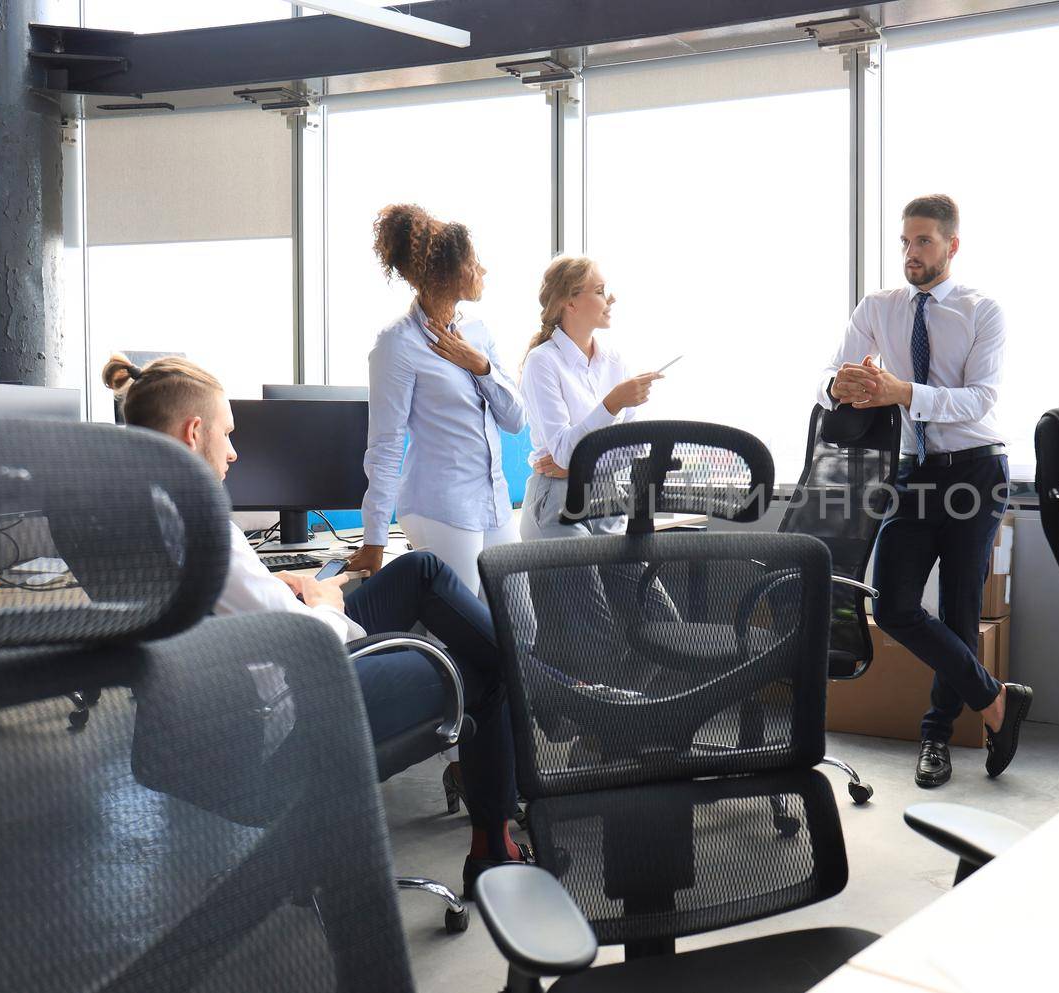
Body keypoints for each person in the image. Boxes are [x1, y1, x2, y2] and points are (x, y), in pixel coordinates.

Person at [103, 352, 524, 895]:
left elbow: (231, 615)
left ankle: (531, 680)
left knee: (418, 570)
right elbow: (307, 648)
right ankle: (495, 846)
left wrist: (280, 590)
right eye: (228, 434)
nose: (233, 452)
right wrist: (325, 601)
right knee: (483, 672)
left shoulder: (151, 512)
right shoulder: (206, 530)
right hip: (294, 709)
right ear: (193, 432)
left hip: (242, 695)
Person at [816, 194, 1033, 789]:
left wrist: (901, 392)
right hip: (914, 473)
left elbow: (980, 400)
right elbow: (827, 383)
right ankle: (995, 703)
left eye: (924, 242)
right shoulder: (878, 307)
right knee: (893, 605)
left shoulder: (981, 310)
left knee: (962, 611)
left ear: (951, 245)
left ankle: (936, 736)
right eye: (905, 242)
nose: (911, 253)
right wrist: (845, 383)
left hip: (976, 470)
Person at [345, 204, 548, 598]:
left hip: (493, 499)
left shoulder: (478, 332)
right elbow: (385, 447)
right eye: (474, 263)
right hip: (441, 504)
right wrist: (375, 540)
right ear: (445, 274)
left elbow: (516, 419)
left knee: (521, 625)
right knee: (462, 631)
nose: (483, 271)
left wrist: (481, 366)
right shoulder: (398, 345)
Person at [517, 255, 663, 539]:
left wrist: (580, 466)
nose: (612, 298)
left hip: (606, 493)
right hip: (557, 500)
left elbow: (633, 448)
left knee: (642, 584)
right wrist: (612, 404)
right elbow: (563, 452)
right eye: (599, 291)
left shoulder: (613, 360)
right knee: (583, 586)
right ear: (570, 303)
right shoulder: (543, 362)